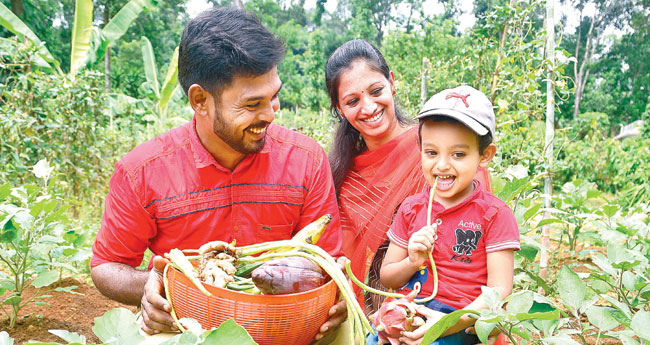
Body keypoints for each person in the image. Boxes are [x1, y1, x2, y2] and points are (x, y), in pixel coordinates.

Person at [90, 7, 344, 340]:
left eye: (275, 96)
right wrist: (161, 283)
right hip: (187, 325)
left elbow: (326, 259)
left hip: (287, 323)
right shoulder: (142, 172)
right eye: (252, 105)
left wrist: (334, 290)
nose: (270, 114)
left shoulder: (306, 159)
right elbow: (106, 266)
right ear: (200, 100)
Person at [325, 39, 491, 314]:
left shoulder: (439, 152)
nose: (367, 108)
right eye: (353, 101)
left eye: (376, 91)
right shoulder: (343, 173)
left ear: (392, 82)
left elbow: (474, 235)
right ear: (339, 108)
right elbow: (343, 255)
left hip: (441, 309)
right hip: (365, 314)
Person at [369, 85, 520, 345]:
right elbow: (388, 277)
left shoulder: (495, 214)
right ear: (420, 149)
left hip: (463, 317)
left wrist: (451, 324)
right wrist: (412, 262)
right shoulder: (411, 208)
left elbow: (499, 289)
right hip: (410, 309)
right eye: (431, 153)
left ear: (485, 155)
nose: (441, 165)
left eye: (458, 154)